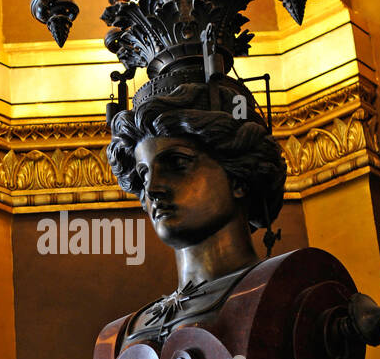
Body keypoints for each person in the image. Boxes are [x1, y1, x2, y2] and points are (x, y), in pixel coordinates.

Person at [106, 77, 287, 341]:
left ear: (238, 177)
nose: (152, 188)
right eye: (144, 174)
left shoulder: (286, 295)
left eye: (178, 162)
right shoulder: (120, 335)